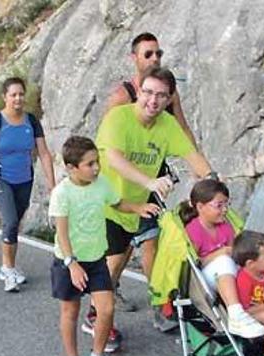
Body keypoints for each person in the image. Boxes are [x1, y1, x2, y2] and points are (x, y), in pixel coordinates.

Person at [87, 66, 215, 349]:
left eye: (161, 96)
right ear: (138, 91)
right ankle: (97, 316)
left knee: (128, 258)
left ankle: (161, 303)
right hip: (109, 202)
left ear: (169, 99)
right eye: (147, 92)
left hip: (141, 204)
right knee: (111, 265)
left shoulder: (167, 126)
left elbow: (192, 155)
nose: (152, 101)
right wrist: (150, 181)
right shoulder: (117, 118)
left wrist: (213, 181)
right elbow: (116, 159)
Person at [50, 136, 160, 356]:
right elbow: (62, 233)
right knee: (70, 311)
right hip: (69, 262)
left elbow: (118, 203)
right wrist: (72, 264)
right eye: (89, 164)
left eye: (97, 162)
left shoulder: (101, 184)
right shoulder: (62, 193)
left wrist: (138, 208)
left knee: (107, 308)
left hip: (97, 258)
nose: (96, 168)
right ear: (71, 168)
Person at [104, 32, 198, 317]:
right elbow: (112, 145)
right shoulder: (122, 97)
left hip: (151, 182)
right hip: (119, 185)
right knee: (119, 254)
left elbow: (181, 130)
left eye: (158, 53)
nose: (155, 58)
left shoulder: (168, 93)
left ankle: (161, 303)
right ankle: (103, 300)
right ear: (134, 58)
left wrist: (202, 169)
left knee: (152, 240)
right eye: (148, 53)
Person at [0, 77, 56, 292]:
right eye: (13, 94)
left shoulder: (31, 121)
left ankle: (9, 266)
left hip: (25, 179)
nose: (18, 98)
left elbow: (44, 153)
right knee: (11, 221)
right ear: (5, 97)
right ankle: (8, 268)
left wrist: (53, 185)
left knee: (15, 223)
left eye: (21, 94)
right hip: (1, 178)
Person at [178, 179, 264, 338]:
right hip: (205, 279)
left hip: (227, 274)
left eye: (227, 204)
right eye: (219, 205)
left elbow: (235, 252)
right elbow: (195, 263)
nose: (225, 210)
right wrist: (221, 253)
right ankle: (236, 314)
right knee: (224, 261)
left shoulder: (225, 226)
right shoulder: (194, 230)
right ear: (200, 207)